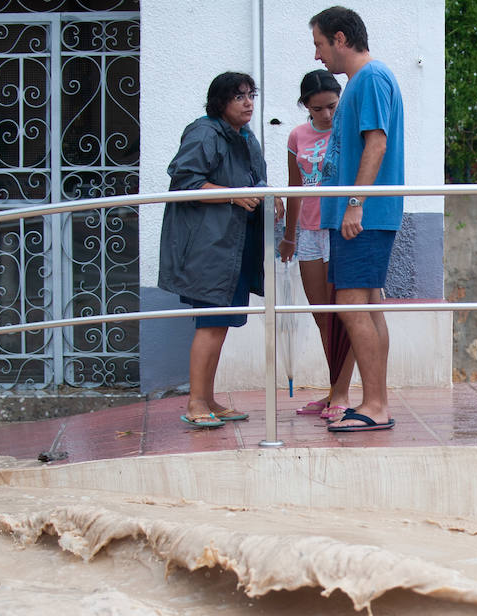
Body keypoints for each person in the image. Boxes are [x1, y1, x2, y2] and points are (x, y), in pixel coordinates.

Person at [159, 71, 277, 428]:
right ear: (220, 102)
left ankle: (208, 398)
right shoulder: (204, 131)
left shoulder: (245, 136)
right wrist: (233, 194)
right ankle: (196, 402)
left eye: (250, 96)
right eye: (239, 97)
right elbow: (185, 180)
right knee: (210, 323)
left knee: (221, 323)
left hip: (235, 245)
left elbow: (254, 180)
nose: (248, 103)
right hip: (210, 247)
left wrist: (271, 196)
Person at [310, 6, 405, 433]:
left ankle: (375, 404)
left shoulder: (369, 78)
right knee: (367, 305)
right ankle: (375, 400)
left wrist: (354, 202)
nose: (318, 56)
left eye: (320, 44)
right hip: (363, 214)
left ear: (341, 38)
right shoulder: (362, 81)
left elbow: (377, 144)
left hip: (363, 216)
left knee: (351, 305)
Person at [279, 69, 355, 422]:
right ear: (305, 107)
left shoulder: (349, 130)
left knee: (347, 315)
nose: (326, 115)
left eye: (332, 106)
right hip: (308, 232)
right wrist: (288, 235)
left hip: (339, 228)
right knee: (322, 317)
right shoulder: (297, 136)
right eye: (317, 108)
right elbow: (294, 188)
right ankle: (331, 391)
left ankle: (342, 393)